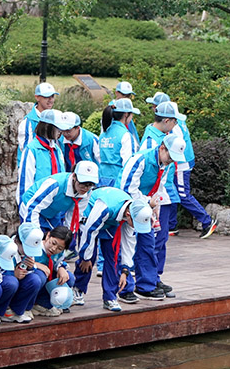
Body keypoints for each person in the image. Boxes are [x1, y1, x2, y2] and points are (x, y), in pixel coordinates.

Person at [120, 135, 188, 300]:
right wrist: (147, 202)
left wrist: (155, 205)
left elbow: (160, 186)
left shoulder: (165, 164)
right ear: (162, 148)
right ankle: (125, 288)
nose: (171, 161)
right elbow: (127, 188)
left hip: (145, 206)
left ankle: (146, 285)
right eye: (170, 157)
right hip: (125, 207)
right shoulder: (140, 160)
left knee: (148, 243)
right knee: (125, 248)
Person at [75, 188, 151, 311]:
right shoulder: (105, 207)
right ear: (128, 215)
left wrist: (125, 269)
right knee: (89, 257)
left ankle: (110, 297)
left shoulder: (133, 213)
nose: (135, 227)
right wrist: (85, 257)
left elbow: (128, 244)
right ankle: (78, 289)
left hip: (111, 223)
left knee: (113, 257)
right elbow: (89, 231)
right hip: (90, 218)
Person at [165, 100, 217, 239]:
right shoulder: (178, 121)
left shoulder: (174, 125)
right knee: (172, 191)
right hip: (181, 162)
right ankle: (171, 225)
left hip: (181, 163)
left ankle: (207, 221)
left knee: (182, 194)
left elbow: (177, 143)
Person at [12, 223, 75, 319]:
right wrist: (36, 265)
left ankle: (44, 305)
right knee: (39, 277)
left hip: (46, 282)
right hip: (29, 282)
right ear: (48, 235)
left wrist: (61, 268)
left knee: (68, 278)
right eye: (53, 243)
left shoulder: (59, 254)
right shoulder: (34, 246)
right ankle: (29, 305)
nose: (54, 249)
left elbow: (59, 262)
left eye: (60, 248)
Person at [18, 161, 99, 233]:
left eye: (90, 184)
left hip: (52, 212)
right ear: (74, 176)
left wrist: (68, 235)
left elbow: (74, 214)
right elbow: (33, 207)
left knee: (59, 239)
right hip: (30, 206)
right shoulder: (55, 184)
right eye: (82, 183)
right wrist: (35, 233)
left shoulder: (87, 192)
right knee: (36, 239)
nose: (85, 188)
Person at [17, 109, 72, 203]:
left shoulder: (56, 149)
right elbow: (25, 182)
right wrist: (25, 207)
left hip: (55, 206)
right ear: (47, 127)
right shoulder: (32, 149)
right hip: (36, 205)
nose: (60, 132)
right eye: (57, 128)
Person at [98, 97, 140, 187]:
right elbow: (129, 164)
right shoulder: (125, 135)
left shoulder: (104, 132)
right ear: (126, 114)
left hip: (101, 180)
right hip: (117, 181)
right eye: (131, 114)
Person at [17, 82, 59, 164]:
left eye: (52, 96)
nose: (50, 100)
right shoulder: (28, 122)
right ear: (37, 97)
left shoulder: (57, 119)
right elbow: (25, 151)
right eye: (47, 97)